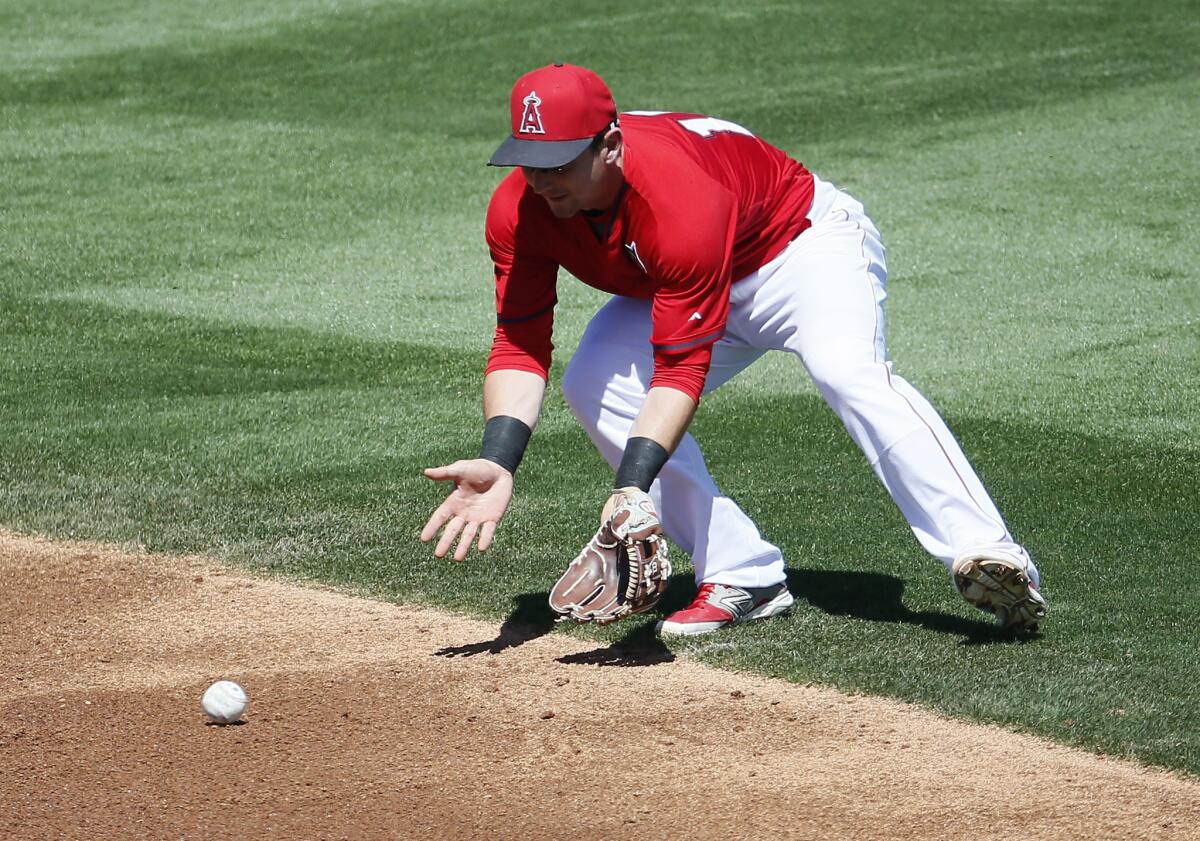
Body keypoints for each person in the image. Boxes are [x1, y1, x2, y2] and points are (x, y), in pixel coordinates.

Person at [420, 63, 1047, 635]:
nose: (540, 179)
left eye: (559, 161)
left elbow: (680, 367)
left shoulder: (675, 195)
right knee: (594, 382)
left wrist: (632, 485)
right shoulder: (521, 209)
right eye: (529, 160)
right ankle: (741, 571)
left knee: (847, 371)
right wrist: (499, 459)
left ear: (609, 146)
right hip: (677, 279)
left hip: (798, 254)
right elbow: (520, 341)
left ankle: (987, 551)